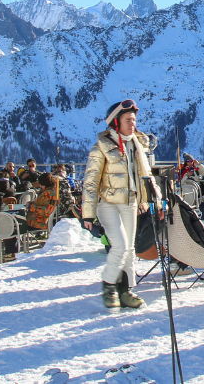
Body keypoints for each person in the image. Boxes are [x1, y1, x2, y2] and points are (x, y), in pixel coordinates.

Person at [83, 99, 153, 309]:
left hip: (131, 202)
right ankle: (108, 286)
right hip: (108, 204)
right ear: (115, 122)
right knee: (120, 246)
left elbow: (146, 175)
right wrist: (88, 214)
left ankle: (125, 292)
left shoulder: (137, 144)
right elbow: (91, 181)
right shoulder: (101, 147)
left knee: (130, 249)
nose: (133, 124)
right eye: (128, 120)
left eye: (134, 119)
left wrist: (155, 202)